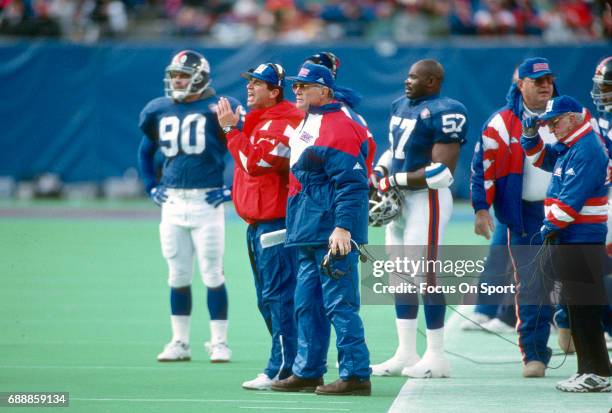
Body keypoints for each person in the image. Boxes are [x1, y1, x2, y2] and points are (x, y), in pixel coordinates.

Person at [270, 62, 372, 396]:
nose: (296, 90)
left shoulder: (339, 125)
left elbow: (352, 184)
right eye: (295, 85)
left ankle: (356, 374)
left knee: (339, 304)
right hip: (309, 229)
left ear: (324, 91)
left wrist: (343, 228)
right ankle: (309, 370)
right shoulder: (314, 120)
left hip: (331, 232)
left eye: (304, 86)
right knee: (306, 303)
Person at [137, 50, 243, 362]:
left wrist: (230, 189)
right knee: (177, 274)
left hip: (206, 200)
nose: (176, 81)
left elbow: (243, 150)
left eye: (182, 75)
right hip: (171, 200)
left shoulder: (220, 108)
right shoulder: (158, 109)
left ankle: (219, 341)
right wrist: (150, 185)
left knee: (212, 273)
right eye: (174, 75)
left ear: (200, 77)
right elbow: (145, 152)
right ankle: (179, 341)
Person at [369, 59, 469, 378]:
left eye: (415, 77)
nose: (407, 81)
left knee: (425, 276)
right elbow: (395, 151)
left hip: (427, 199)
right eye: (408, 75)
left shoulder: (447, 110)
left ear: (432, 82)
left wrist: (393, 181)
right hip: (402, 198)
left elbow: (441, 173)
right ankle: (406, 353)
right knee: (400, 276)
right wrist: (381, 171)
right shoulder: (401, 105)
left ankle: (437, 357)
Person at [215, 62, 303, 390]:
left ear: (274, 90)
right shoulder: (260, 119)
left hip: (276, 222)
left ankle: (282, 367)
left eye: (258, 83)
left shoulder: (285, 120)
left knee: (279, 297)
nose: (250, 87)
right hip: (257, 223)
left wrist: (231, 130)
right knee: (268, 298)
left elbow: (255, 164)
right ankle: (296, 359)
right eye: (249, 81)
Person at [471, 57, 558, 377]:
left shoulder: (570, 117)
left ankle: (570, 328)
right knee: (532, 285)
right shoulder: (501, 123)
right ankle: (535, 353)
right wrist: (482, 209)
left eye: (549, 79)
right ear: (520, 84)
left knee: (579, 279)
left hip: (570, 212)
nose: (545, 85)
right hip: (527, 214)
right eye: (537, 81)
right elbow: (482, 167)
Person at [521, 95, 611, 392]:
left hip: (581, 238)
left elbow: (571, 200)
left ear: (572, 118)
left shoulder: (587, 149)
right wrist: (530, 135)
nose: (551, 129)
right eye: (548, 124)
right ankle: (589, 370)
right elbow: (540, 158)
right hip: (571, 236)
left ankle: (598, 372)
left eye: (555, 122)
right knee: (577, 307)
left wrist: (548, 228)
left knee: (585, 309)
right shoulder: (573, 144)